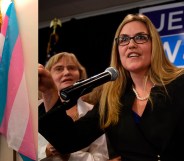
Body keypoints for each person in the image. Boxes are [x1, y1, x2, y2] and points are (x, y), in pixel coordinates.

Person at [38, 14, 184, 161]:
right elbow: (68, 140)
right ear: (118, 50)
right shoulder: (112, 99)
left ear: (155, 44)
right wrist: (49, 91)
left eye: (140, 37)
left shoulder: (179, 83)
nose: (131, 44)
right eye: (124, 40)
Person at [38, 52, 109, 161]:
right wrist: (46, 151)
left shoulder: (94, 111)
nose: (66, 73)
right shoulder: (36, 111)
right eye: (59, 69)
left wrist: (70, 154)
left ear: (80, 75)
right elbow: (24, 151)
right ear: (47, 76)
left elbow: (101, 158)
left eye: (71, 68)